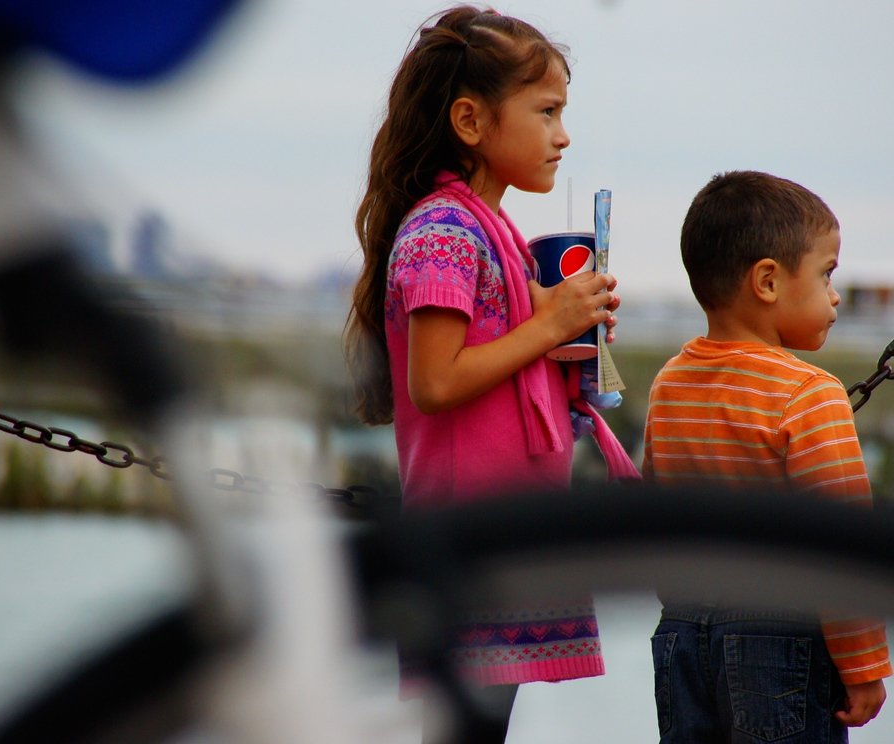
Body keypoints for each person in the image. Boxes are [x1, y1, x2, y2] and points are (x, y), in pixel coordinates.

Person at [344, 6, 639, 743]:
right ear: (471, 120)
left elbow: (501, 344)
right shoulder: (444, 230)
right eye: (546, 112)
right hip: (465, 545)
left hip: (492, 538)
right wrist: (547, 324)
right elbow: (435, 382)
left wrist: (564, 326)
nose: (562, 135)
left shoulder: (489, 228)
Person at [643, 170, 892, 743]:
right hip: (780, 631)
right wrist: (864, 667)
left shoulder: (669, 383)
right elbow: (838, 541)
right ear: (768, 282)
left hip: (680, 629)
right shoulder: (810, 393)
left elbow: (656, 512)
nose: (835, 295)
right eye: (827, 273)